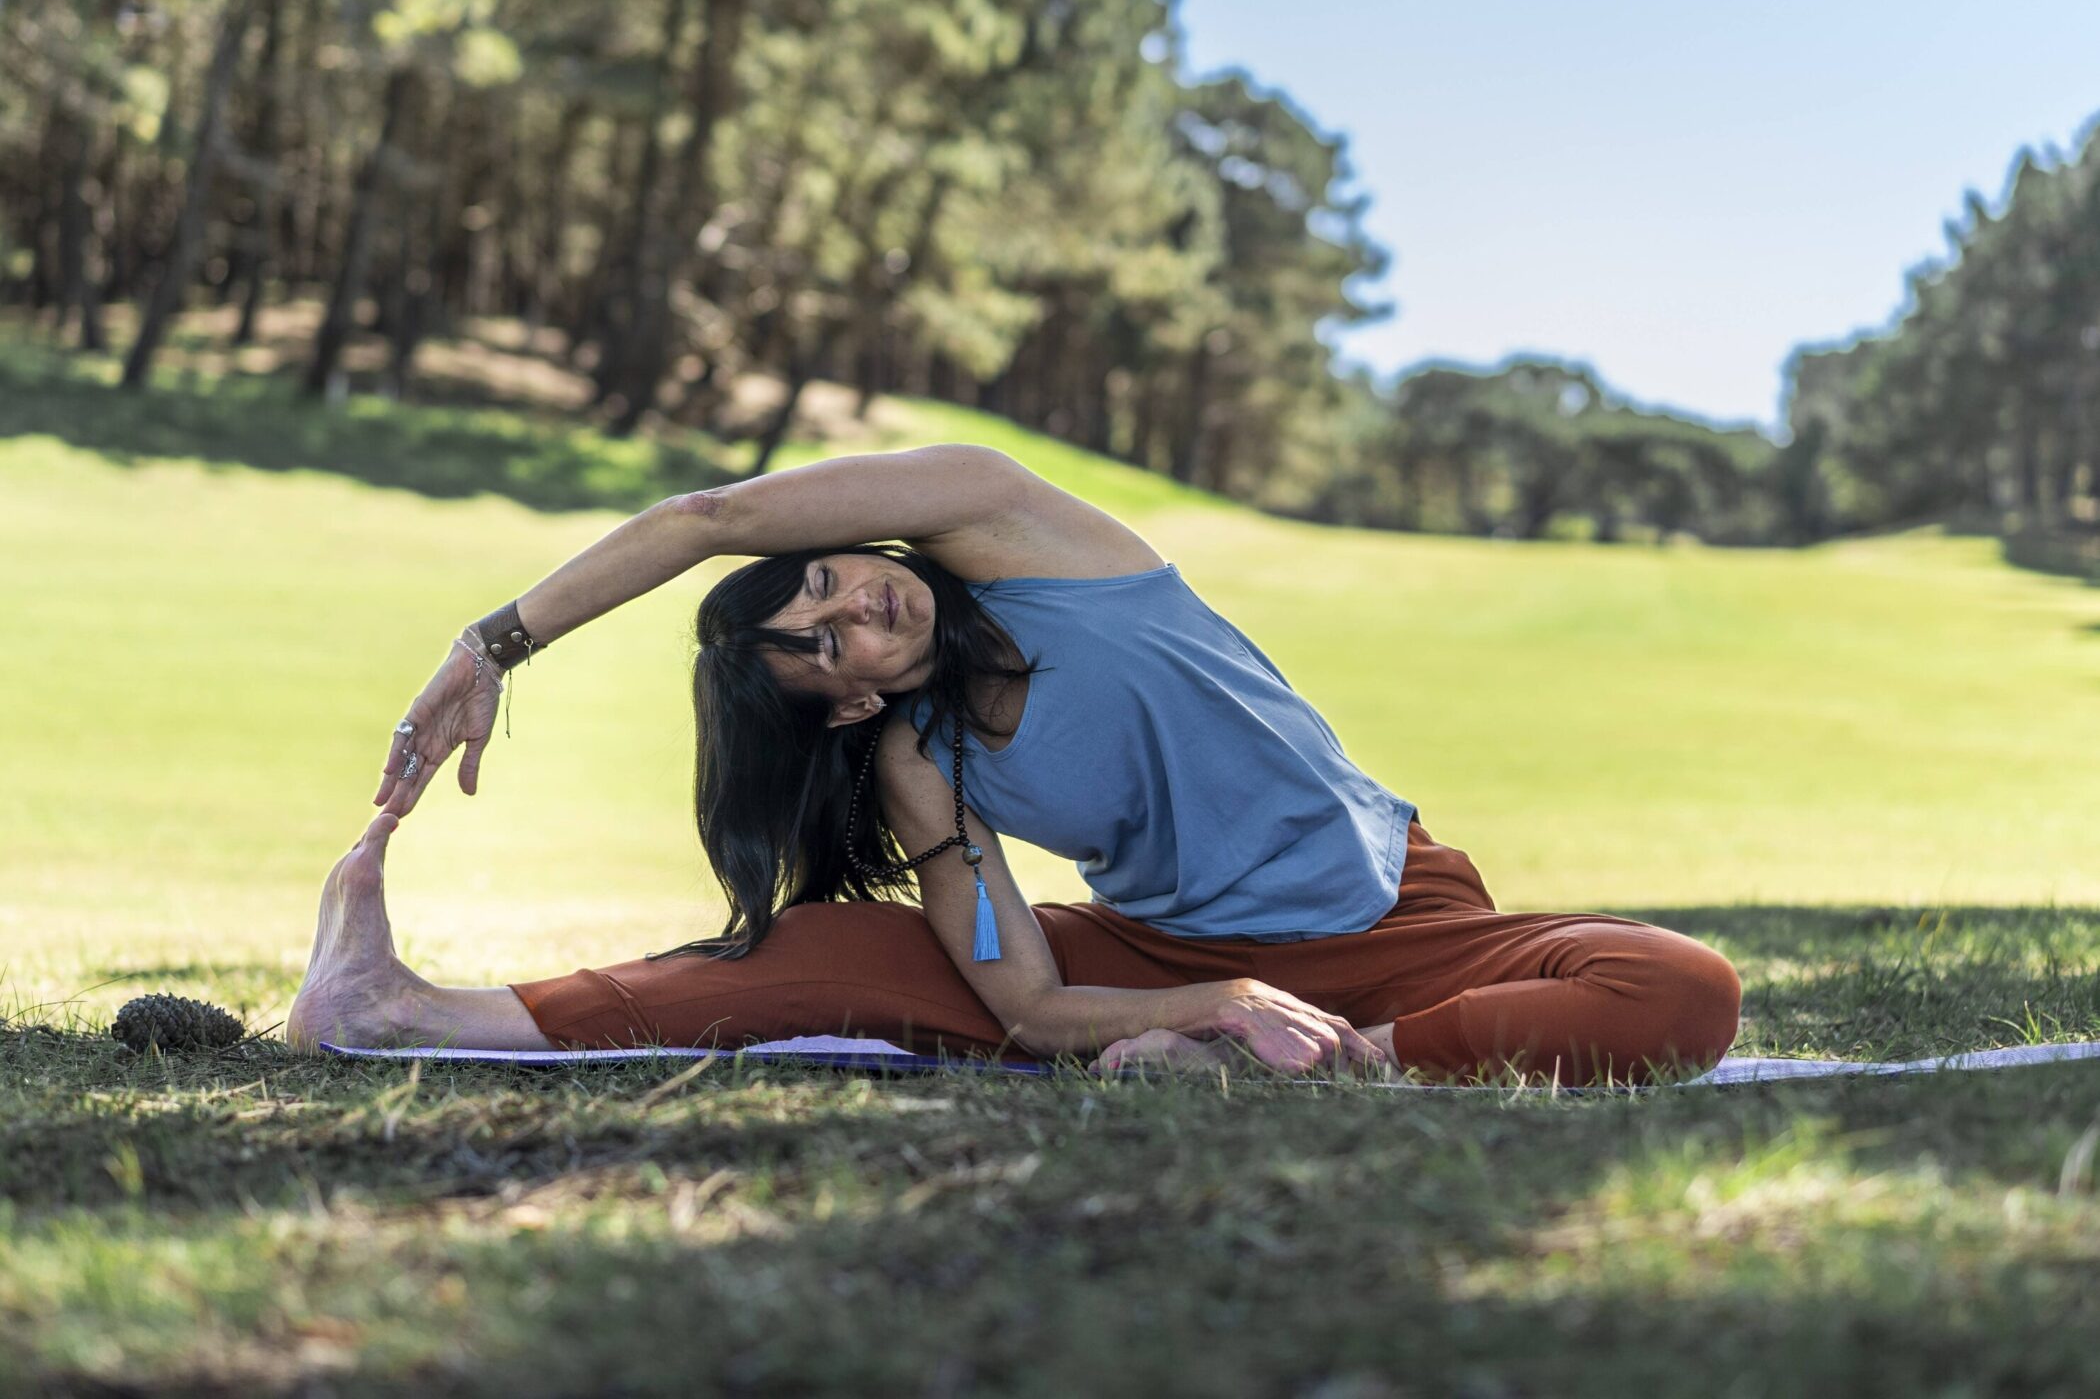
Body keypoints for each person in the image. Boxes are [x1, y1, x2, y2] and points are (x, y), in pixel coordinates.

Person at [289, 443, 1740, 1082]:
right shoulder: (921, 769)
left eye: (838, 580)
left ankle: (1336, 1068)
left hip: (1412, 923)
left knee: (1681, 987)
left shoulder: (1013, 529)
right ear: (844, 710)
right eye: (823, 643)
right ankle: (405, 1009)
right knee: (830, 951)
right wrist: (1215, 1000)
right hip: (1172, 959)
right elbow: (1032, 1004)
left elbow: (710, 513)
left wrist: (494, 644)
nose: (859, 608)